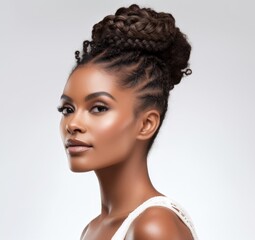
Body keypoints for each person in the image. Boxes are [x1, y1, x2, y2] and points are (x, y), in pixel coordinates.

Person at [58, 4, 197, 240]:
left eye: (98, 108)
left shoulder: (154, 226)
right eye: (68, 109)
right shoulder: (92, 230)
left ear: (146, 124)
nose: (73, 124)